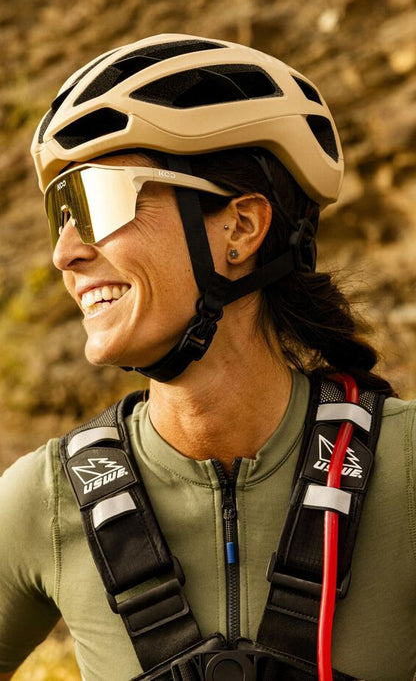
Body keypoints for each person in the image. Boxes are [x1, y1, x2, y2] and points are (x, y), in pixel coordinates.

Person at [0, 33, 415, 681]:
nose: (65, 253)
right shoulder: (41, 501)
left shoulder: (407, 467)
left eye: (98, 201)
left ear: (241, 228)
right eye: (62, 212)